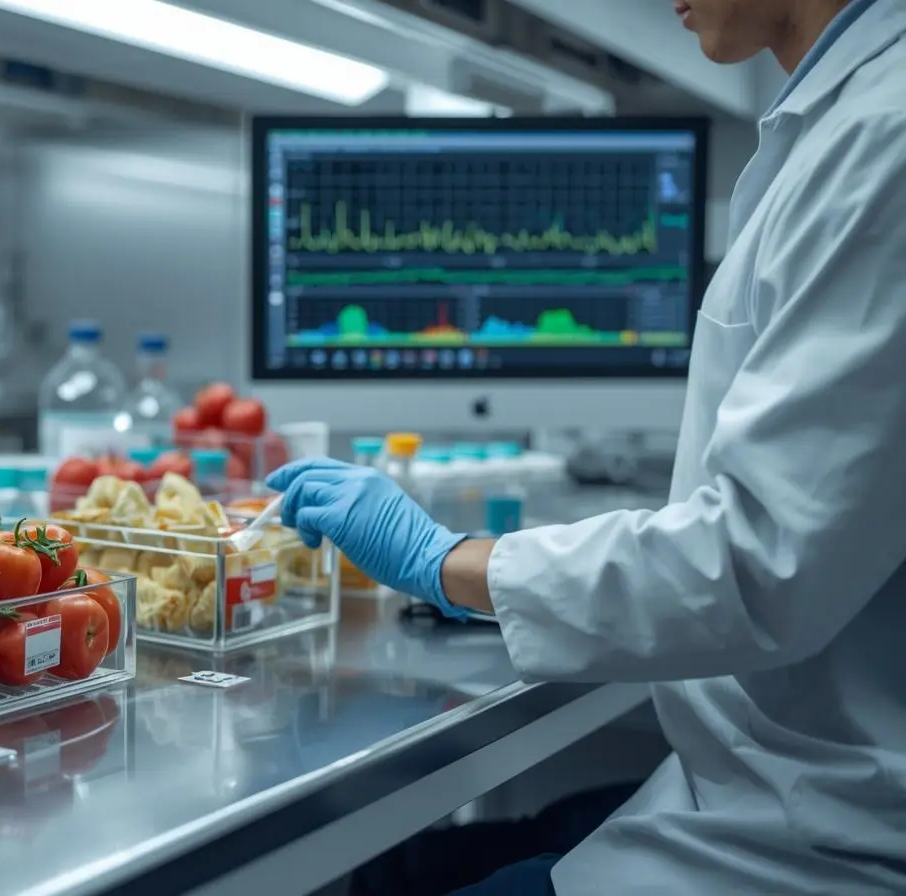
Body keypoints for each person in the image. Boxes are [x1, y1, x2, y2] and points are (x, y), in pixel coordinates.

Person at [270, 1, 906, 893]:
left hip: (820, 838)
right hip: (761, 788)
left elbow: (759, 561)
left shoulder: (887, 137)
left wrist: (446, 562)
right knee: (397, 865)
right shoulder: (848, 119)